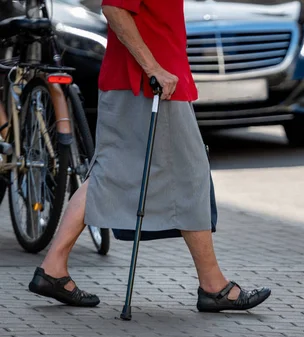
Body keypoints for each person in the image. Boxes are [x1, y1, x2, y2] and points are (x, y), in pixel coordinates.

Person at [28, 0, 272, 312]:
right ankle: (213, 285)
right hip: (148, 84)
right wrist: (153, 68)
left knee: (115, 172)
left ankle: (53, 268)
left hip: (149, 82)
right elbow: (115, 9)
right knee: (188, 176)